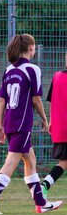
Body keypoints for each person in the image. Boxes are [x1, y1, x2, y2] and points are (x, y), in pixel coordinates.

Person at [0, 34, 63, 214]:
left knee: (30, 160)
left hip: (10, 121)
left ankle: (41, 203)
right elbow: (36, 99)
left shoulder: (8, 70)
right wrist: (44, 118)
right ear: (31, 48)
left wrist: (0, 124)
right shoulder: (33, 69)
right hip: (22, 124)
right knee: (11, 161)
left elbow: (2, 100)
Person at [41, 52, 67, 199]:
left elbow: (53, 101)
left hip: (60, 127)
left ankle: (45, 184)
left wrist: (51, 122)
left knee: (63, 162)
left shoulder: (57, 76)